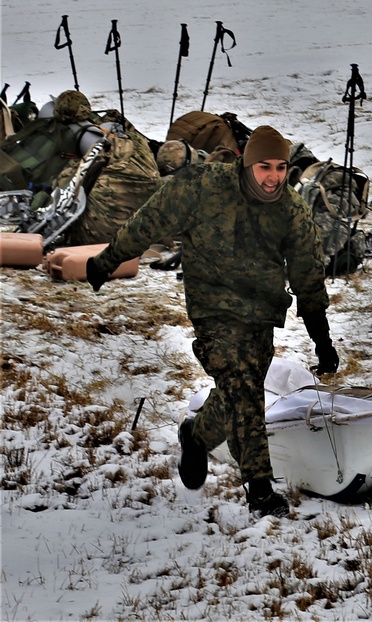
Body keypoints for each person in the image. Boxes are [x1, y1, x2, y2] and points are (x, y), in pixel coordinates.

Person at [86, 125, 340, 518]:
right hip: (212, 309)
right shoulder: (203, 185)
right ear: (245, 162)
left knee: (239, 389)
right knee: (244, 388)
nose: (273, 177)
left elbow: (308, 278)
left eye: (280, 168)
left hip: (260, 313)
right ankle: (260, 488)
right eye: (263, 167)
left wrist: (322, 341)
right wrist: (107, 260)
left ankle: (197, 435)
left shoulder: (291, 210)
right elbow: (149, 221)